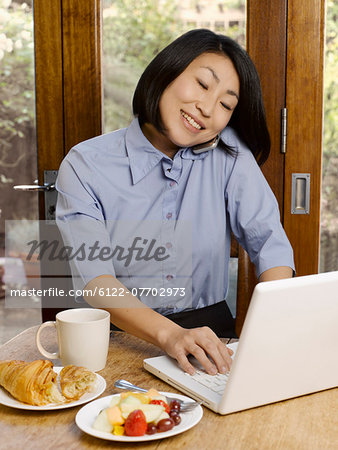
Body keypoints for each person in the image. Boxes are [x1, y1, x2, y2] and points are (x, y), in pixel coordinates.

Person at [55, 29, 295, 376]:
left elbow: (269, 242)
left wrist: (273, 324)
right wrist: (169, 335)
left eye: (227, 104)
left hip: (211, 338)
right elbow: (96, 281)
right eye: (201, 84)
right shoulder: (85, 165)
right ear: (167, 71)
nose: (207, 108)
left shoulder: (230, 156)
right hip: (123, 337)